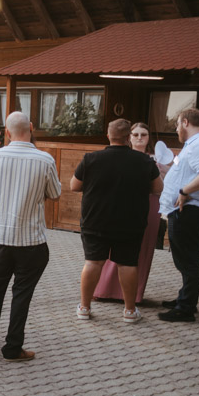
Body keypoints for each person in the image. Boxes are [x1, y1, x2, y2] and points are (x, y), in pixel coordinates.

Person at [0, 112, 61, 361]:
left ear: (6, 131)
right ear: (31, 128)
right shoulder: (45, 159)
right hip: (31, 241)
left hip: (0, 236)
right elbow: (55, 194)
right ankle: (13, 348)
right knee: (22, 294)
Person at [71, 118, 163, 324]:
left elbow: (74, 186)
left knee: (93, 262)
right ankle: (129, 311)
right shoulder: (144, 162)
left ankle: (84, 308)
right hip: (130, 221)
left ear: (108, 136)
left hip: (95, 219)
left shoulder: (91, 158)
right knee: (127, 264)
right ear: (128, 137)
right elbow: (158, 187)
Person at [158, 108, 199, 322]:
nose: (176, 129)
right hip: (183, 209)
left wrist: (184, 191)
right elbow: (188, 173)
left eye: (177, 125)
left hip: (189, 209)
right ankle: (184, 299)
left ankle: (185, 308)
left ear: (185, 122)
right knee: (184, 258)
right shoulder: (193, 145)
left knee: (188, 259)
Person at [94, 122, 161, 303]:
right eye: (136, 134)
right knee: (115, 247)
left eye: (143, 134)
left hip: (150, 204)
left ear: (149, 138)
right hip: (123, 204)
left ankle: (133, 294)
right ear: (128, 137)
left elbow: (160, 187)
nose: (139, 138)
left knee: (142, 248)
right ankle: (106, 289)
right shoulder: (122, 157)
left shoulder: (156, 160)